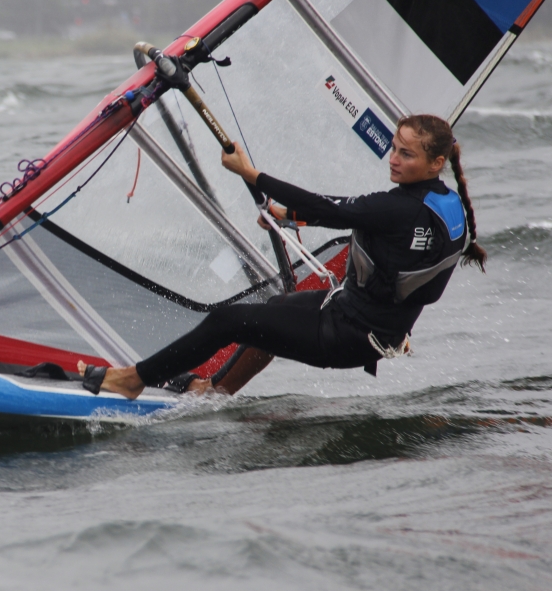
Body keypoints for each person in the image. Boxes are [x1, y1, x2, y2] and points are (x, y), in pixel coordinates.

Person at [79, 114, 487, 399]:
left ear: (436, 162)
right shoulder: (448, 208)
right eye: (394, 148)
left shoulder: (397, 207)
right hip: (375, 330)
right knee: (274, 311)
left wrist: (250, 174)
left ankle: (132, 380)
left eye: (407, 154)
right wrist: (287, 215)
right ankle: (215, 391)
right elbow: (373, 230)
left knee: (227, 320)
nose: (394, 159)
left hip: (344, 335)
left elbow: (331, 208)